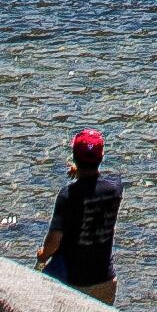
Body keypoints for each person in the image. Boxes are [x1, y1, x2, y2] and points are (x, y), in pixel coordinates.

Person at [37, 128, 121, 300]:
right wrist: (82, 173)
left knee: (37, 279)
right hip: (106, 280)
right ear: (102, 157)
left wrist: (42, 255)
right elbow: (95, 186)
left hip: (74, 281)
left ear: (74, 157)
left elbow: (54, 241)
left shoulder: (67, 195)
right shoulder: (115, 189)